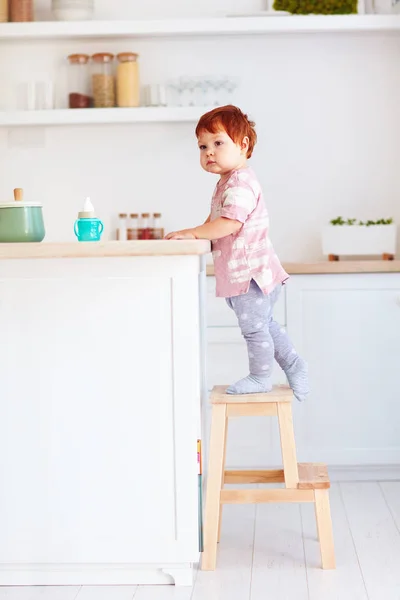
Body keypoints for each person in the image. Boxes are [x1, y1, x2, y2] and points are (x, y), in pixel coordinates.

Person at [166, 105, 308, 400]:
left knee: (255, 331)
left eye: (218, 143)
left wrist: (193, 233)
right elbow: (214, 220)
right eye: (203, 146)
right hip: (252, 274)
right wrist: (195, 230)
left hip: (250, 276)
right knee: (265, 326)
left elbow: (229, 223)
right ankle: (295, 365)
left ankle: (261, 377)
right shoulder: (227, 182)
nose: (209, 152)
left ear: (243, 145)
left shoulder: (241, 182)